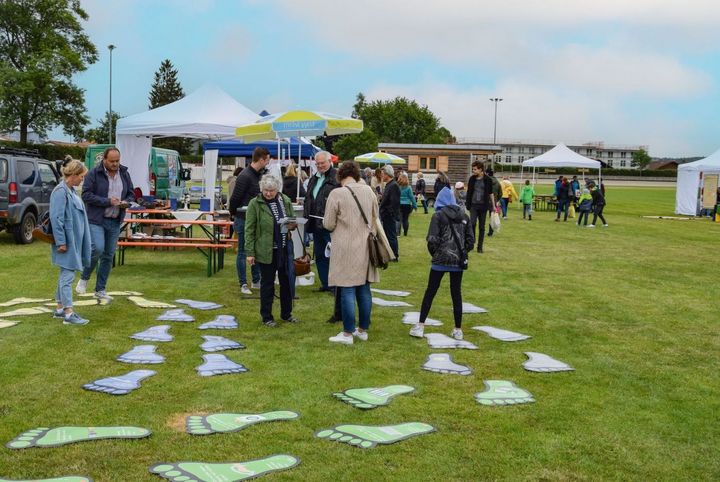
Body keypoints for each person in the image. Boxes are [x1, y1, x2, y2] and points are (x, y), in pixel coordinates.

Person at [323, 161, 380, 344]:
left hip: (345, 247)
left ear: (340, 176)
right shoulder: (369, 192)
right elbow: (375, 218)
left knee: (347, 288)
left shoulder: (336, 193)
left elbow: (328, 223)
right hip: (366, 246)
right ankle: (362, 330)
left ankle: (347, 333)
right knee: (364, 289)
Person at [409, 187, 474, 340]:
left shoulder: (438, 216)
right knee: (456, 293)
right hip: (457, 261)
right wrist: (463, 252)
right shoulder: (464, 216)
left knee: (430, 292)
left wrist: (436, 254)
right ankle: (458, 329)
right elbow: (471, 240)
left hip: (439, 260)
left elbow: (432, 239)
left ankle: (420, 326)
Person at [76, 147, 134, 301]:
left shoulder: (124, 173)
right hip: (96, 219)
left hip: (115, 220)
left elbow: (131, 193)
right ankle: (84, 277)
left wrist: (126, 203)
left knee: (108, 255)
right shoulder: (93, 174)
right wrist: (107, 202)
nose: (115, 164)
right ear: (104, 160)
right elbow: (86, 195)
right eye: (112, 161)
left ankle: (100, 289)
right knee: (97, 248)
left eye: (117, 161)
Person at [245, 175, 299, 327]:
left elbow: (292, 220)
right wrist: (250, 252)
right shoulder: (255, 204)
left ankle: (287, 314)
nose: (268, 193)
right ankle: (267, 316)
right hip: (265, 250)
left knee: (287, 282)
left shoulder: (285, 200)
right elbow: (249, 229)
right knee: (267, 284)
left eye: (272, 190)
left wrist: (292, 225)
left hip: (284, 249)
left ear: (277, 189)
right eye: (266, 190)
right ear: (261, 189)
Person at [51, 159, 92, 325]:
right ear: (73, 175)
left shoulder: (71, 190)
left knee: (65, 275)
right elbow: (57, 218)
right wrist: (61, 242)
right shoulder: (60, 191)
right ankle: (69, 313)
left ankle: (60, 308)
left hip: (73, 240)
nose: (82, 179)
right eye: (81, 176)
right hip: (67, 242)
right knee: (68, 277)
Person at [229, 147, 269, 295]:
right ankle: (243, 283)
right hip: (243, 218)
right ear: (261, 160)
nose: (268, 163)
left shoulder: (259, 175)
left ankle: (256, 280)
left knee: (256, 251)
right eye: (267, 160)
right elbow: (234, 199)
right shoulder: (245, 176)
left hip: (255, 220)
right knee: (243, 252)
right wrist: (234, 214)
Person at [304, 151, 339, 292]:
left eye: (322, 163)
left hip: (330, 224)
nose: (320, 166)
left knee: (333, 255)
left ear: (329, 161)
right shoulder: (313, 179)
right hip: (315, 223)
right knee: (319, 255)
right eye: (317, 163)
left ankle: (335, 284)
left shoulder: (336, 178)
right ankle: (326, 283)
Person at [465, 161, 494, 253]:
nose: (473, 171)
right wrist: (467, 204)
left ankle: (480, 247)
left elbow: (491, 193)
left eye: (475, 169)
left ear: (481, 169)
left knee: (482, 227)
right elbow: (469, 192)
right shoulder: (472, 179)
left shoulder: (488, 179)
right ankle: (472, 241)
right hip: (473, 205)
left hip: (483, 206)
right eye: (473, 169)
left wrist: (493, 205)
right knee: (472, 223)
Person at [379, 164, 400, 259]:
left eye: (383, 173)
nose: (381, 175)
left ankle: (394, 255)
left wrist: (389, 213)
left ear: (388, 174)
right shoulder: (389, 185)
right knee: (388, 235)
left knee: (391, 236)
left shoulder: (393, 185)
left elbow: (394, 203)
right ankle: (389, 254)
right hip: (386, 215)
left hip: (389, 216)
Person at [486, 168, 501, 236]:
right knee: (492, 216)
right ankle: (491, 231)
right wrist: (496, 199)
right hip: (493, 201)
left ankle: (482, 230)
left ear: (487, 173)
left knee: (482, 216)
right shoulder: (497, 182)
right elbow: (500, 193)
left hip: (485, 200)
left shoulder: (485, 180)